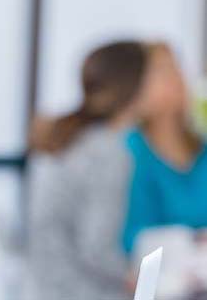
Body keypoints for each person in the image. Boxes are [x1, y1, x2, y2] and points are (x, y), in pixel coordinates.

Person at [122, 43, 207, 299]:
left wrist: (206, 249)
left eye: (174, 69)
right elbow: (133, 236)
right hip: (159, 271)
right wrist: (186, 243)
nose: (172, 79)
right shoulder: (130, 152)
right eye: (160, 72)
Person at [25, 40, 151, 300]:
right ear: (135, 87)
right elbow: (97, 248)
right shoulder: (109, 153)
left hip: (44, 287)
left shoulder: (75, 138)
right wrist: (138, 277)